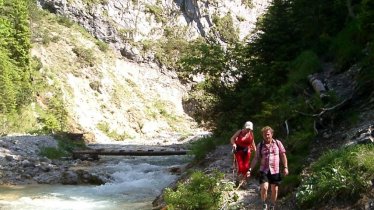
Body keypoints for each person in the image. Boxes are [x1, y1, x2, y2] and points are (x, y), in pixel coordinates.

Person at [248, 126, 288, 210]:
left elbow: (283, 155)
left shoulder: (278, 143)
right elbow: (256, 158)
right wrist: (250, 169)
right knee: (264, 187)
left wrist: (285, 167)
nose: (266, 136)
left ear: (272, 134)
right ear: (262, 135)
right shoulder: (260, 145)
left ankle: (272, 205)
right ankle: (264, 203)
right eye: (264, 134)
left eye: (268, 134)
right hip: (264, 170)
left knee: (275, 189)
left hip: (275, 170)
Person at [230, 121, 256, 187]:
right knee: (241, 166)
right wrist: (234, 144)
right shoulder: (239, 132)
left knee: (246, 167)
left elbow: (253, 143)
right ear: (244, 127)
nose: (248, 130)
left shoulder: (251, 134)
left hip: (247, 151)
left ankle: (243, 182)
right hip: (238, 150)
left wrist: (256, 151)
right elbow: (232, 139)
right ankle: (239, 180)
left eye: (249, 129)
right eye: (247, 128)